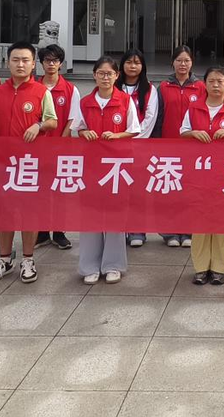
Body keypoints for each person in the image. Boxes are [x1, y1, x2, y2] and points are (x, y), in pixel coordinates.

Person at [0, 42, 58, 285]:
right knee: (4, 212)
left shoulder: (41, 92)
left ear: (33, 64)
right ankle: (4, 259)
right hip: (3, 162)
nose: (21, 64)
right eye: (16, 60)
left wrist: (38, 125)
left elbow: (52, 121)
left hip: (30, 163)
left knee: (28, 212)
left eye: (25, 60)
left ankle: (28, 258)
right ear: (8, 62)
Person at [182, 66, 224, 284]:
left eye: (220, 81)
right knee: (200, 221)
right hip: (199, 171)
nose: (215, 85)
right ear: (205, 84)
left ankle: (219, 268)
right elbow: (182, 132)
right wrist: (193, 133)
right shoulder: (194, 109)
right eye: (211, 81)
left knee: (222, 220)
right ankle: (201, 268)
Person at [74, 57, 140, 284]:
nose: (105, 77)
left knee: (114, 214)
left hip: (117, 166)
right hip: (91, 165)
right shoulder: (84, 102)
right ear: (94, 75)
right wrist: (85, 133)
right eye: (100, 73)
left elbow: (134, 130)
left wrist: (117, 135)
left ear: (116, 76)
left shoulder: (125, 101)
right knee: (90, 214)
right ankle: (89, 266)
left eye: (109, 74)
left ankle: (113, 265)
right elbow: (78, 128)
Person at [155, 45, 206, 247]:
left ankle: (187, 231)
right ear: (172, 62)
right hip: (169, 145)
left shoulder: (201, 87)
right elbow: (158, 117)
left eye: (186, 60)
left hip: (193, 146)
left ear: (192, 62)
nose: (183, 64)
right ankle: (170, 232)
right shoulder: (164, 87)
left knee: (190, 190)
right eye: (179, 60)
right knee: (170, 189)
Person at [34, 43, 78, 251]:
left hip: (61, 148)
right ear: (41, 63)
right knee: (40, 190)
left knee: (60, 190)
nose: (51, 64)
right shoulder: (33, 86)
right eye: (47, 60)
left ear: (61, 63)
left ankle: (59, 232)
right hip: (36, 149)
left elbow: (72, 119)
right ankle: (41, 232)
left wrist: (61, 141)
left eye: (55, 60)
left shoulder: (70, 89)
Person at [117, 48, 159, 247]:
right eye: (129, 62)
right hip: (115, 150)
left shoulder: (150, 89)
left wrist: (133, 139)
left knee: (138, 191)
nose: (133, 66)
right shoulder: (114, 88)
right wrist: (119, 141)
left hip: (140, 148)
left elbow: (150, 118)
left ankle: (137, 232)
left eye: (137, 63)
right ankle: (119, 230)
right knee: (118, 190)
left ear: (143, 66)